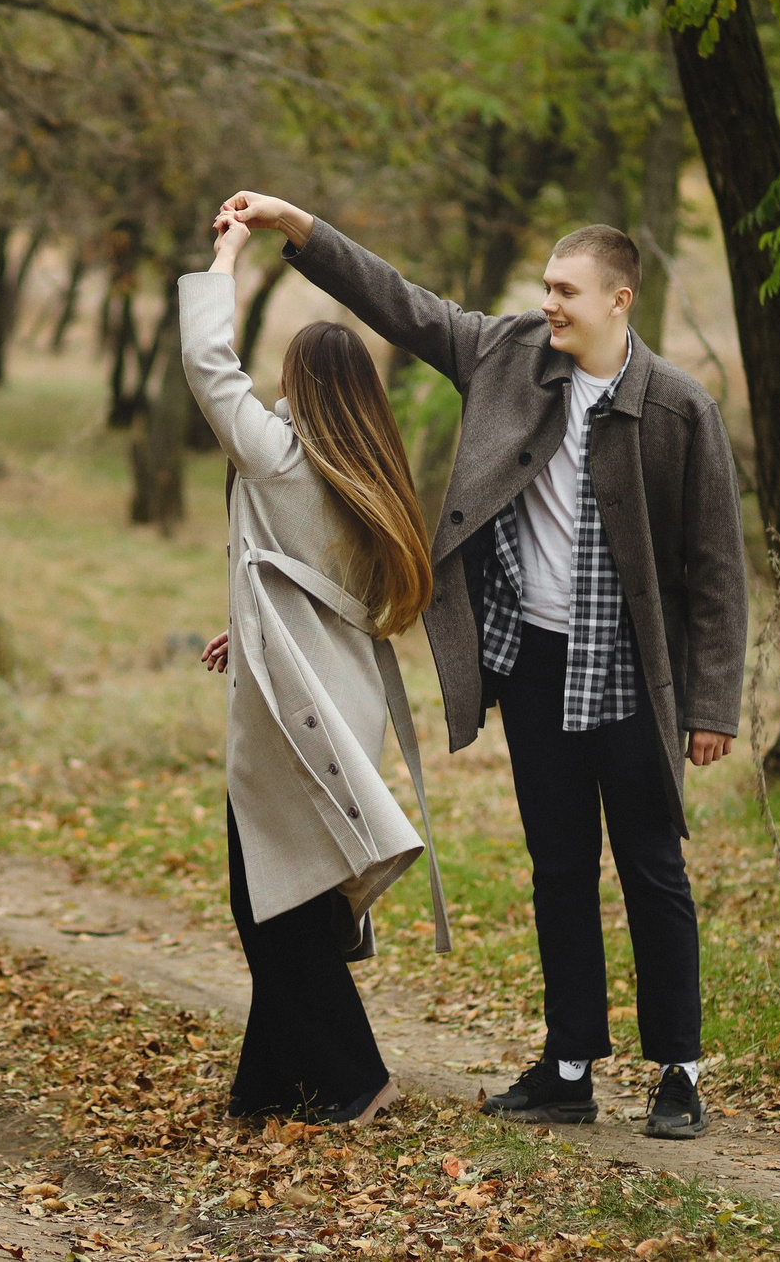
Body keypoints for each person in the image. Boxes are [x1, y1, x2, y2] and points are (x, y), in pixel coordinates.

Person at [215, 192, 745, 1142]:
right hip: (534, 668)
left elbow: (716, 568)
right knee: (558, 869)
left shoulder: (678, 408)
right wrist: (300, 229)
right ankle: (570, 1063)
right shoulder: (506, 357)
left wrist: (714, 702)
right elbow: (399, 301)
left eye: (566, 290)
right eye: (545, 286)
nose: (550, 303)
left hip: (631, 677)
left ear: (620, 299)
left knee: (653, 870)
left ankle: (680, 1070)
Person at [181, 214, 451, 1128]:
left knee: (273, 903)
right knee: (287, 892)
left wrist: (224, 258)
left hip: (291, 714)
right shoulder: (371, 472)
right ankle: (267, 1087)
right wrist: (242, 624)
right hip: (341, 701)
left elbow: (209, 366)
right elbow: (315, 587)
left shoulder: (282, 458)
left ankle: (356, 1077)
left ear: (302, 388)